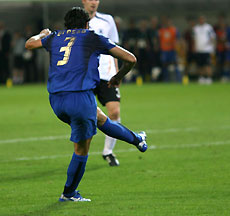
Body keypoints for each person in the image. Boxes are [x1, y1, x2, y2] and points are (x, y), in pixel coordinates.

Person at [25, 7, 148, 202]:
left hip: (56, 100)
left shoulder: (55, 37)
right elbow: (131, 59)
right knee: (82, 149)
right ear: (86, 24)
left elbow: (29, 44)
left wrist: (42, 33)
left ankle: (137, 140)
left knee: (100, 118)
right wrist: (117, 77)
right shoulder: (92, 37)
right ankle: (69, 193)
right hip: (80, 99)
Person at [82, 0, 122, 166]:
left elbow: (114, 47)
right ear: (83, 1)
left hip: (107, 73)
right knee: (87, 116)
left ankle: (108, 151)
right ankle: (82, 153)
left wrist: (117, 74)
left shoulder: (107, 20)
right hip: (86, 75)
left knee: (114, 112)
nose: (94, 2)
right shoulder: (77, 21)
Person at [193, 15, 216, 84]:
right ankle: (201, 78)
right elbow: (194, 38)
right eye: (200, 19)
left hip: (207, 50)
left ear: (204, 20)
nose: (201, 20)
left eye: (202, 19)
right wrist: (194, 47)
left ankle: (208, 78)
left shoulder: (208, 27)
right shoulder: (196, 28)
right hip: (199, 49)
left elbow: (213, 37)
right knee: (200, 65)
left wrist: (211, 45)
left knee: (207, 65)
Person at [158, 16, 181, 82]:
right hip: (164, 51)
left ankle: (179, 79)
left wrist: (177, 47)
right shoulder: (161, 30)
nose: (167, 23)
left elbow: (178, 40)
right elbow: (159, 40)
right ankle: (166, 79)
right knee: (164, 65)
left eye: (168, 22)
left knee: (175, 64)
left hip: (172, 50)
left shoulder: (174, 30)